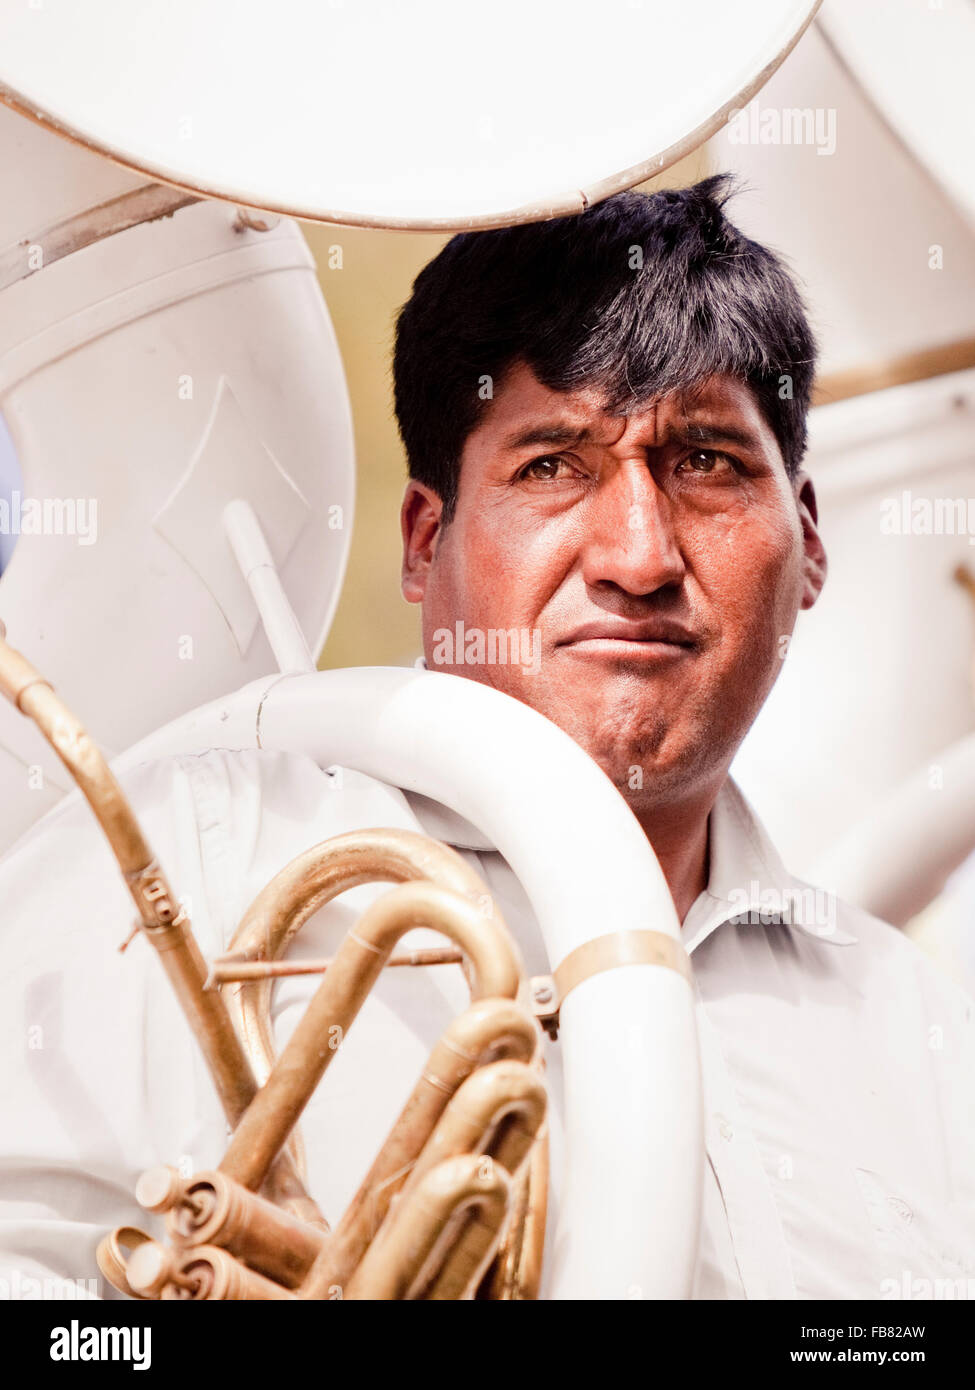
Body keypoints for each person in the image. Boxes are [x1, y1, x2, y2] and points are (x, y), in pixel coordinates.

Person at [0, 178, 971, 1301]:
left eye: (707, 462)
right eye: (552, 464)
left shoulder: (918, 1022)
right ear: (424, 545)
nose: (640, 556)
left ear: (806, 542)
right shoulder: (186, 863)